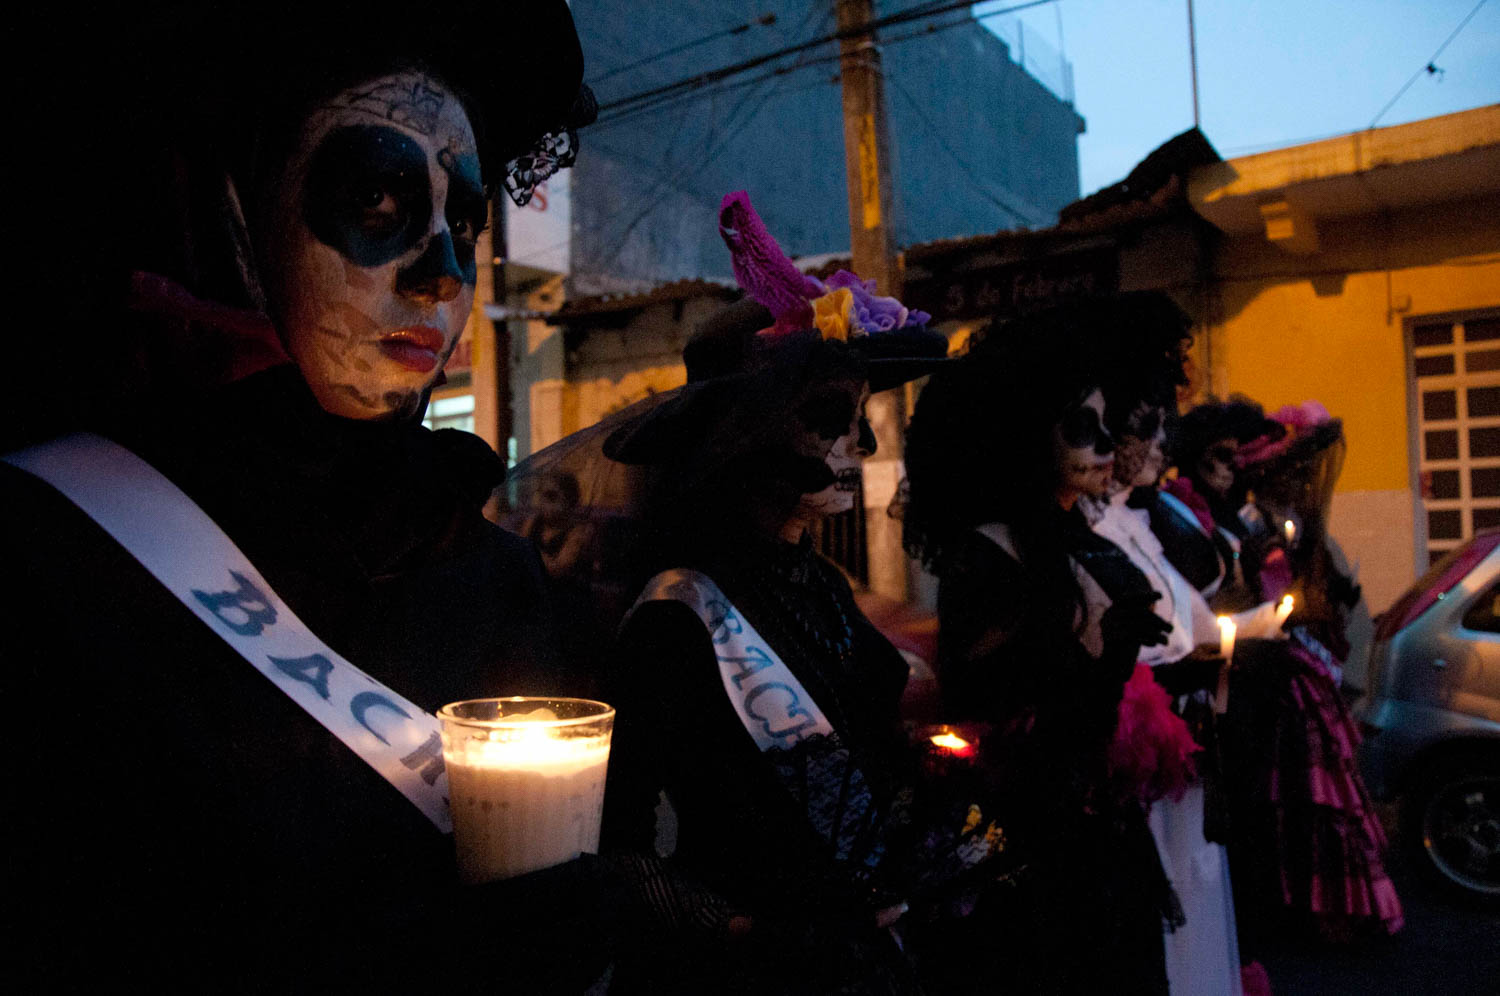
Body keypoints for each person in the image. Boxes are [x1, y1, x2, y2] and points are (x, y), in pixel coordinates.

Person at [1, 2, 609, 989]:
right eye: (377, 201)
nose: (442, 275)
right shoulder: (52, 546)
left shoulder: (497, 571)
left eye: (462, 217)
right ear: (241, 213)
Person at [578, 192, 989, 995]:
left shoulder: (820, 583)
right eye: (831, 416)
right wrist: (751, 935)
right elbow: (618, 847)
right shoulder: (675, 615)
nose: (862, 443)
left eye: (864, 412)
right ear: (745, 435)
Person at [902, 309, 1182, 995]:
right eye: (1080, 427)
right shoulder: (989, 553)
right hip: (1036, 857)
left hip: (1098, 836)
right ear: (1026, 434)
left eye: (1104, 422)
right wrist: (1099, 658)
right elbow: (991, 710)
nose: (1106, 444)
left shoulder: (1073, 534)